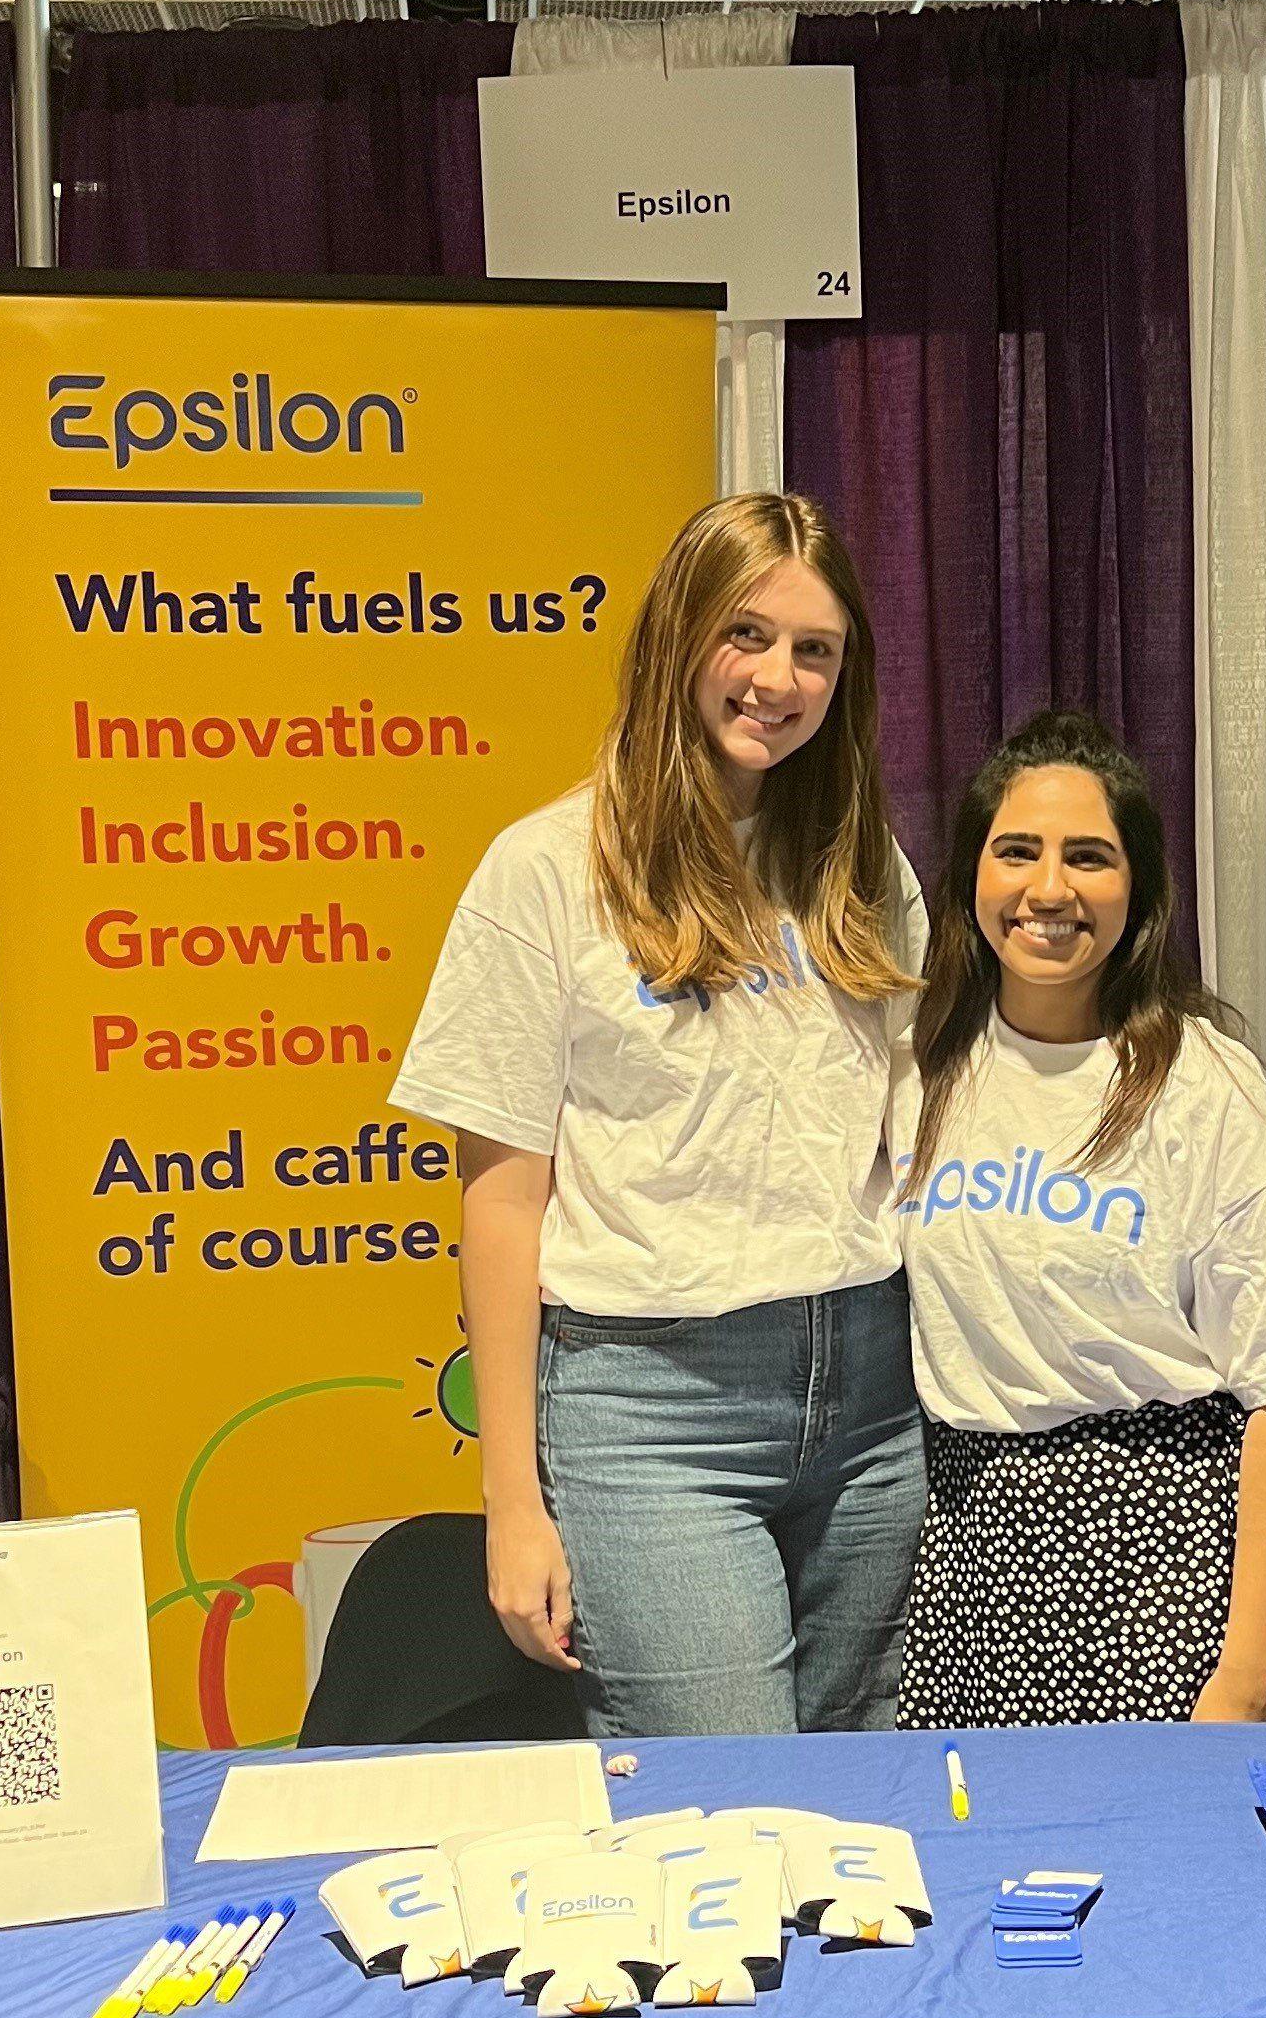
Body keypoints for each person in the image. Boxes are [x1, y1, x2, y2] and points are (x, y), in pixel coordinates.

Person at [396, 491, 926, 1738]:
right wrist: (512, 1500)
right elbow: (502, 1198)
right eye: (747, 635)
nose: (779, 680)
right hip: (651, 1408)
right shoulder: (546, 870)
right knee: (733, 1798)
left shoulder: (862, 866)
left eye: (815, 650)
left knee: (868, 1789)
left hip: (873, 1399)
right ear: (679, 636)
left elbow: (919, 1130)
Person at [894, 708, 1266, 1728]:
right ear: (971, 874)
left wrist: (1246, 1674)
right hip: (974, 1564)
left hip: (1171, 1566)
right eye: (1016, 851)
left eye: (1089, 857)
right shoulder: (918, 1065)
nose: (1048, 889)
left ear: (1140, 887)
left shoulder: (1204, 1082)